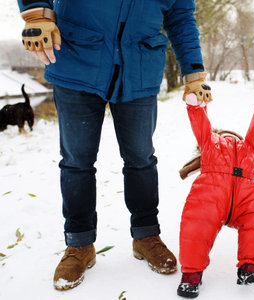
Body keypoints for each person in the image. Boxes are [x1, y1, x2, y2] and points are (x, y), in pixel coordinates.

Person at [17, 0, 212, 291]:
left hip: (140, 66)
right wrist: (36, 11)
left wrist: (194, 72)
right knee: (76, 161)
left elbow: (181, 17)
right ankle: (79, 243)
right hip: (77, 59)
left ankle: (146, 235)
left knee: (141, 159)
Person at [176, 93, 254, 298]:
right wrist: (197, 107)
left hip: (244, 201)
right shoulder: (210, 145)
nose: (231, 138)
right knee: (196, 222)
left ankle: (249, 267)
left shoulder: (249, 148)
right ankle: (191, 273)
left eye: (234, 136)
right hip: (210, 198)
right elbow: (201, 126)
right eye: (225, 134)